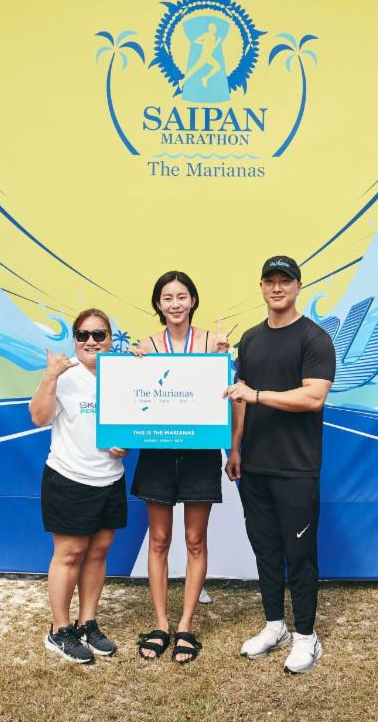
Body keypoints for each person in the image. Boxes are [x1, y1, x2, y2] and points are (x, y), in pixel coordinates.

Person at [224, 256, 335, 674]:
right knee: (266, 550)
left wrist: (257, 394)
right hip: (254, 467)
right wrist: (236, 449)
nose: (276, 288)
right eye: (269, 281)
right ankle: (276, 626)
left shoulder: (315, 339)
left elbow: (312, 398)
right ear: (261, 286)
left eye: (284, 281)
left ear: (297, 287)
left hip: (296, 468)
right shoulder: (250, 340)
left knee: (300, 555)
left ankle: (307, 637)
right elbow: (240, 400)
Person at [130, 271, 233, 664]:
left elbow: (226, 397)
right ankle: (160, 624)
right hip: (157, 453)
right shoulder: (145, 347)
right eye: (167, 297)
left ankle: (186, 625)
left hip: (199, 453)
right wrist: (131, 368)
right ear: (158, 304)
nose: (175, 303)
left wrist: (224, 359)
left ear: (193, 301)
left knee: (194, 541)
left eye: (182, 296)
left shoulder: (214, 341)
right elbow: (131, 399)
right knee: (158, 541)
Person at [30, 308, 127, 664]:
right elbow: (39, 417)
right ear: (75, 339)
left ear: (110, 339)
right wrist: (50, 375)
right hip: (69, 478)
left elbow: (138, 419)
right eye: (83, 335)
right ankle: (59, 630)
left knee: (99, 551)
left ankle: (87, 623)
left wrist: (126, 442)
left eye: (98, 335)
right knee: (69, 554)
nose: (91, 341)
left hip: (110, 478)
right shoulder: (64, 373)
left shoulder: (122, 374)